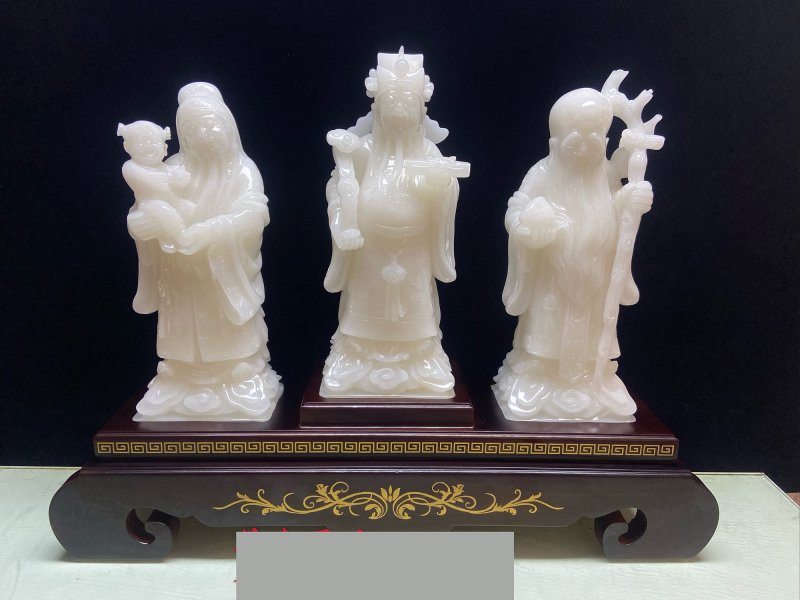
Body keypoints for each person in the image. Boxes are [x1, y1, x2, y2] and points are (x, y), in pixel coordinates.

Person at [494, 86, 653, 421]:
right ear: (555, 142)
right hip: (552, 273)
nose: (584, 145)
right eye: (575, 136)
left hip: (595, 272)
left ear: (605, 141)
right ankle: (539, 372)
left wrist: (629, 202)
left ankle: (594, 379)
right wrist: (530, 225)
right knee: (546, 326)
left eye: (594, 137)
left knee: (593, 328)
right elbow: (516, 210)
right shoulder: (542, 173)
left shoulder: (607, 175)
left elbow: (618, 208)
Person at [123, 82, 281, 421]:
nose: (205, 134)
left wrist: (209, 232)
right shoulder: (171, 169)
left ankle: (239, 373)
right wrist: (139, 225)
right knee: (182, 327)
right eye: (194, 129)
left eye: (212, 125)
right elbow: (146, 205)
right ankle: (180, 376)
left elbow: (254, 212)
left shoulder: (243, 170)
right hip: (180, 274)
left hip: (221, 271)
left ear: (228, 127)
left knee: (227, 329)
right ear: (183, 135)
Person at [321, 49, 469, 397]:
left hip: (413, 250)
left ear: (421, 111)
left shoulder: (428, 152)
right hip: (369, 249)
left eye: (408, 102)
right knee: (364, 302)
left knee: (415, 304)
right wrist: (345, 224)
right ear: (377, 109)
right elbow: (339, 188)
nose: (400, 109)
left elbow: (447, 190)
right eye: (391, 102)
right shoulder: (363, 149)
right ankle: (356, 354)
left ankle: (420, 356)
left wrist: (441, 186)